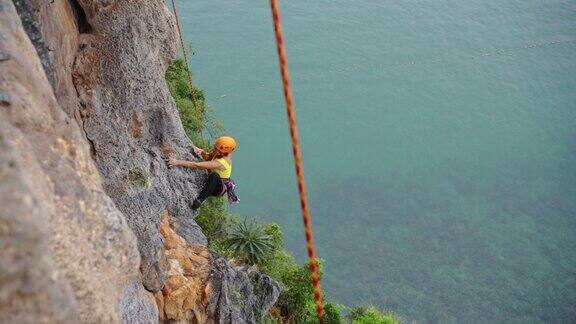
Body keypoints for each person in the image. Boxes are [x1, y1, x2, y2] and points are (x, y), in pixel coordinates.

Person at [168, 136, 239, 209]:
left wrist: (177, 162)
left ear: (223, 153)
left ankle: (199, 200)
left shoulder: (222, 162)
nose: (214, 149)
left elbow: (197, 165)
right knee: (213, 175)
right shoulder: (220, 153)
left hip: (218, 189)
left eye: (216, 149)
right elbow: (209, 157)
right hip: (215, 181)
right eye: (215, 147)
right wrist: (201, 152)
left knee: (215, 175)